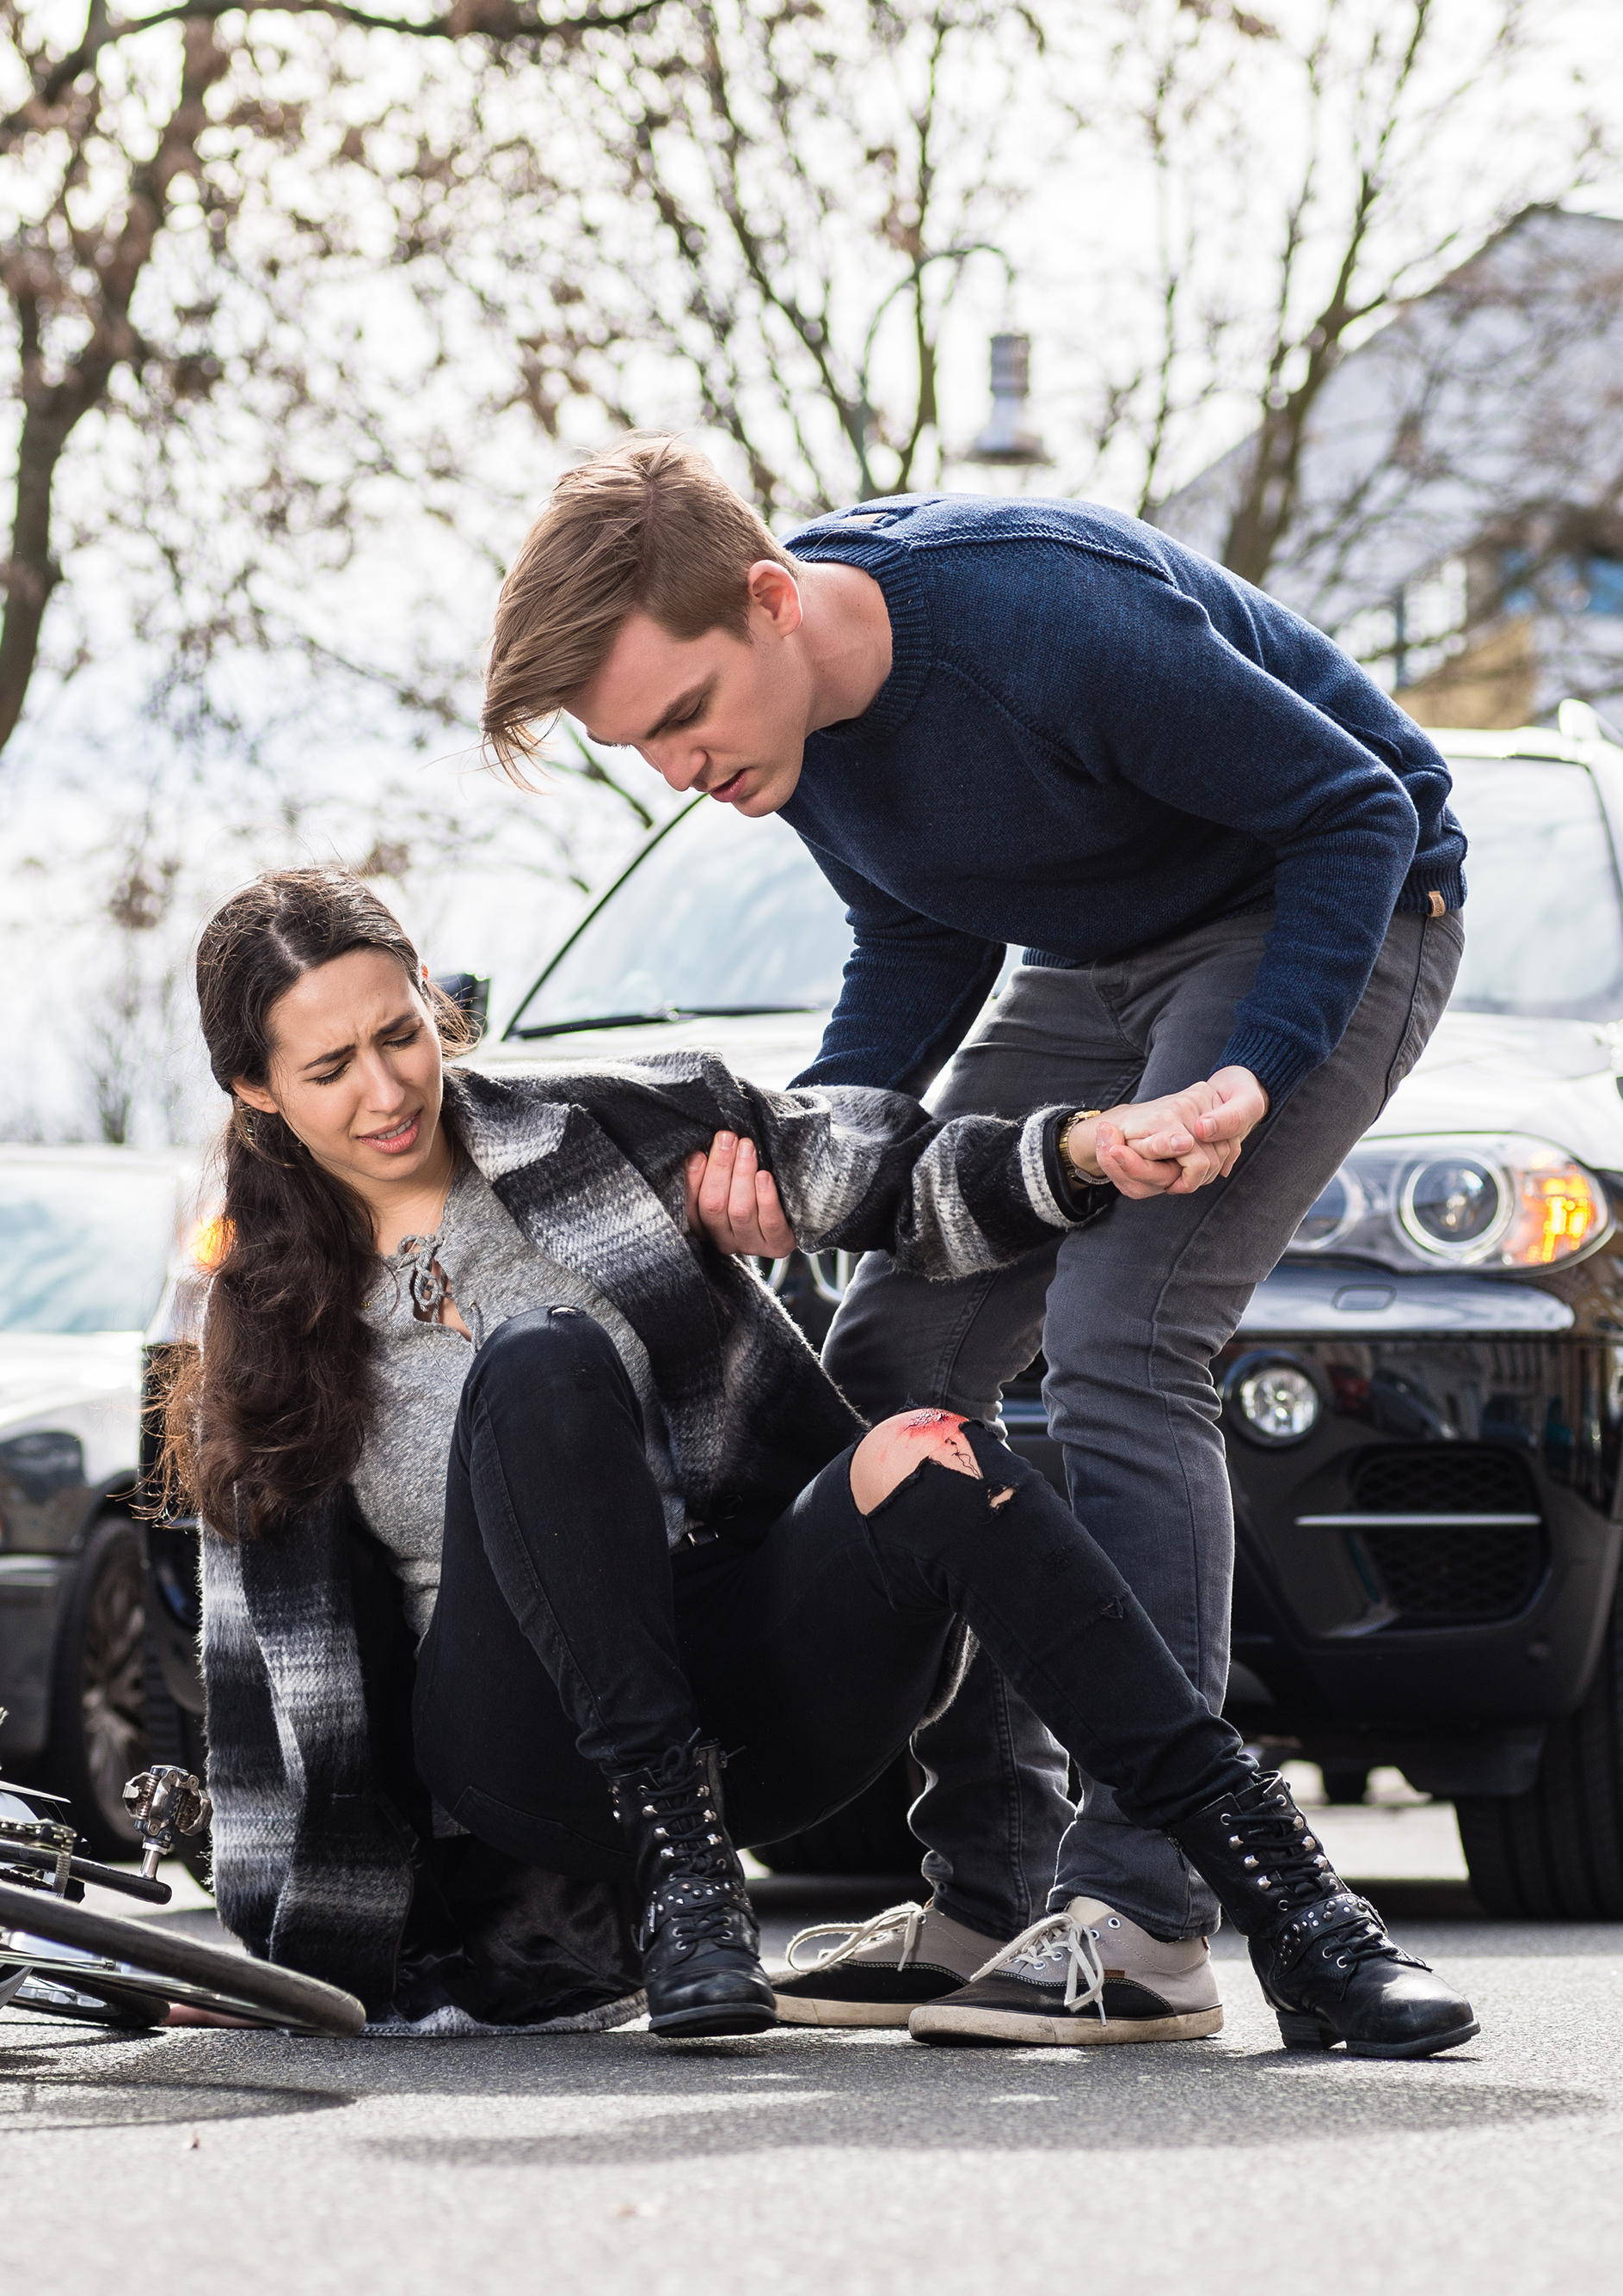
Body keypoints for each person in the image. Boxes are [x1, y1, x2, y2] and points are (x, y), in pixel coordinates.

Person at [478, 436, 1467, 2042]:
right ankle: (992, 1890)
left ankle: (1147, 1907)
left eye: (681, 715)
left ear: (771, 600)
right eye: (636, 746)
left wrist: (1251, 1069)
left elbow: (1351, 810)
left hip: (1326, 912)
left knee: (1123, 1333)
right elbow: (916, 927)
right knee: (890, 1362)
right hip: (1090, 966)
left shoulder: (1038, 616)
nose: (677, 770)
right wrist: (810, 1148)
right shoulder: (793, 732)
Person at [169, 866, 1473, 2057]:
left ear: (435, 1011)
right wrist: (286, 1952)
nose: (386, 1090)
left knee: (928, 1446)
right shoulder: (250, 1314)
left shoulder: (610, 1126)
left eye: (399, 1034)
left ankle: (1298, 1908)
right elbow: (260, 1672)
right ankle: (686, 1884)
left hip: (751, 1685)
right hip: (522, 1756)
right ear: (257, 1090)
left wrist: (1079, 1151)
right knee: (544, 1360)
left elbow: (881, 1174)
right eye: (329, 1066)